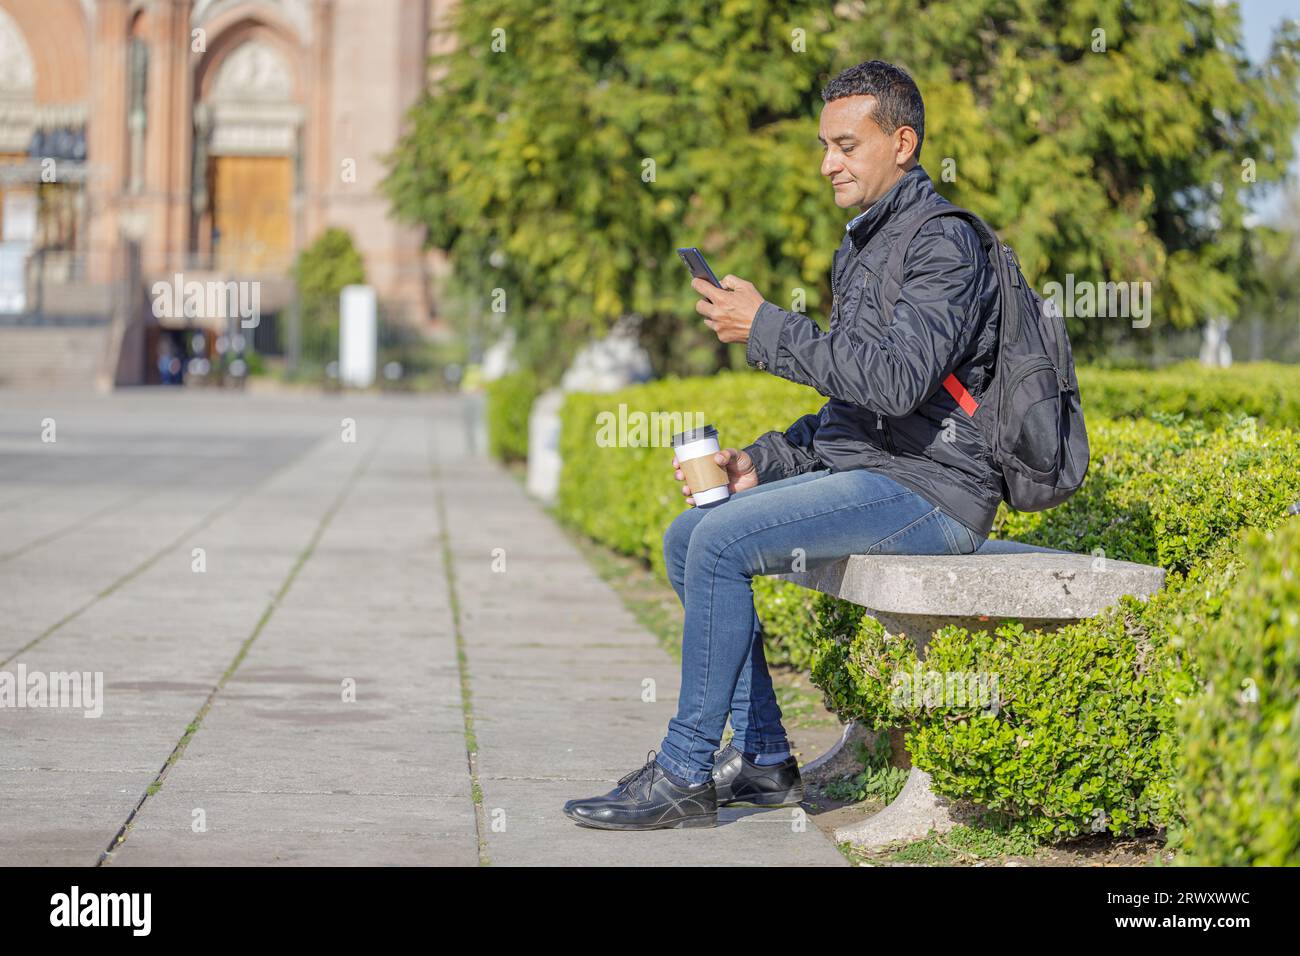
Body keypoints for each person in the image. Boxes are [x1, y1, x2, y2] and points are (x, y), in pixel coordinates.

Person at [562, 59, 1003, 830]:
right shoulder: (866, 243)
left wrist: (767, 328)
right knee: (689, 533)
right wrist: (760, 461)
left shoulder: (943, 246)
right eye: (824, 145)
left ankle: (684, 768)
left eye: (846, 145)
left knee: (723, 541)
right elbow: (858, 405)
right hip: (883, 472)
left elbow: (898, 382)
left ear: (902, 142)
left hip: (937, 493)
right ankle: (765, 759)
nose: (828, 162)